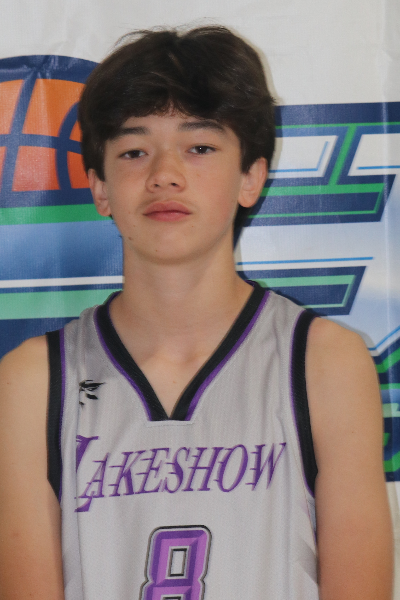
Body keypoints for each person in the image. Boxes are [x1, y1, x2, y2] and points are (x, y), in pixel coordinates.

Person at [0, 26, 393, 600]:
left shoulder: (325, 362)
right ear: (100, 189)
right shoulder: (32, 382)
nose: (165, 174)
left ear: (251, 177)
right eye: (134, 151)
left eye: (200, 147)